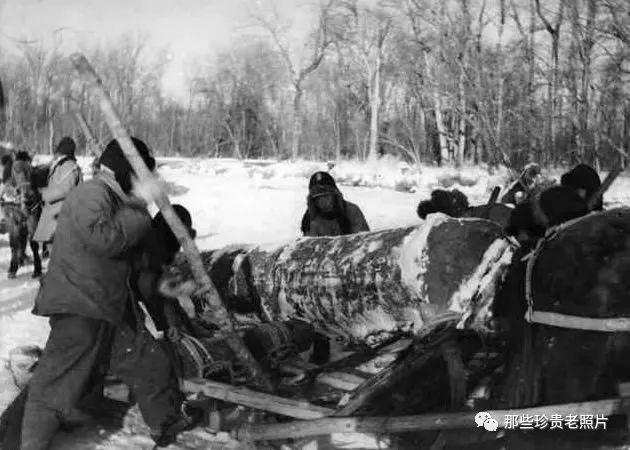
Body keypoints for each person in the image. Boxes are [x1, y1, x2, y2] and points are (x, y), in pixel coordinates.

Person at [20, 138, 199, 450]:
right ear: (125, 171)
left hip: (108, 304)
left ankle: (164, 423)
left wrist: (164, 284)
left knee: (148, 361)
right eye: (140, 176)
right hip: (79, 302)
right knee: (55, 385)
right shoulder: (91, 193)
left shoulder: (115, 200)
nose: (142, 184)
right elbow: (105, 239)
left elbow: (133, 263)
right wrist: (140, 208)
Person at [32, 137, 83, 255]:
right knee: (53, 251)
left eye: (59, 151)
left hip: (61, 214)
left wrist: (42, 194)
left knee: (60, 252)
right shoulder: (61, 164)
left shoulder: (70, 166)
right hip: (54, 213)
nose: (56, 154)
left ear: (63, 151)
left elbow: (65, 189)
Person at [300, 171, 369, 237]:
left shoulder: (352, 211)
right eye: (318, 198)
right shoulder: (309, 218)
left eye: (326, 196)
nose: (323, 201)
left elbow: (363, 242)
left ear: (334, 196)